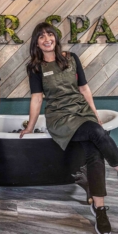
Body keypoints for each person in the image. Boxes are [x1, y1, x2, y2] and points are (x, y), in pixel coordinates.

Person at [20, 22, 118, 234]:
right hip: (60, 117)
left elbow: (84, 88)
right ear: (36, 42)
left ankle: (100, 209)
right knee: (95, 133)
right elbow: (37, 98)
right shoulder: (35, 67)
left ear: (55, 37)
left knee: (94, 151)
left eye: (50, 34)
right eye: (41, 36)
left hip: (81, 111)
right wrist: (30, 125)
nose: (47, 39)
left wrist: (93, 113)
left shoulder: (71, 58)